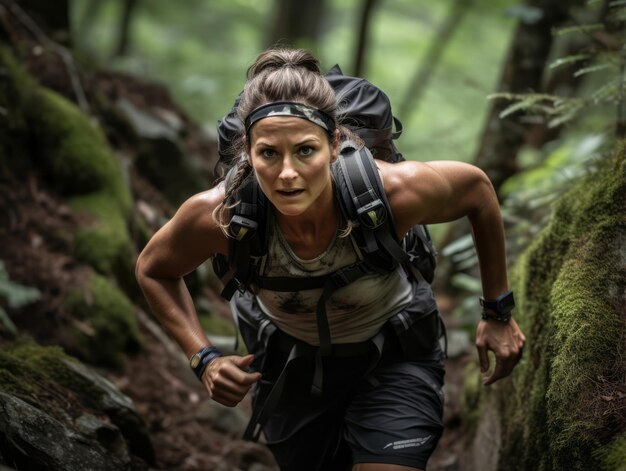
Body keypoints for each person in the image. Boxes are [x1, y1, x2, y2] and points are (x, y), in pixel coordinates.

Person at [135, 48, 526, 471]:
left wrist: (498, 311)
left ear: (335, 144)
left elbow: (478, 191)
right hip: (290, 367)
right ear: (247, 151)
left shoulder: (392, 193)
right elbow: (153, 270)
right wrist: (204, 359)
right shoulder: (221, 216)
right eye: (269, 154)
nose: (288, 173)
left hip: (394, 355)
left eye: (305, 150)